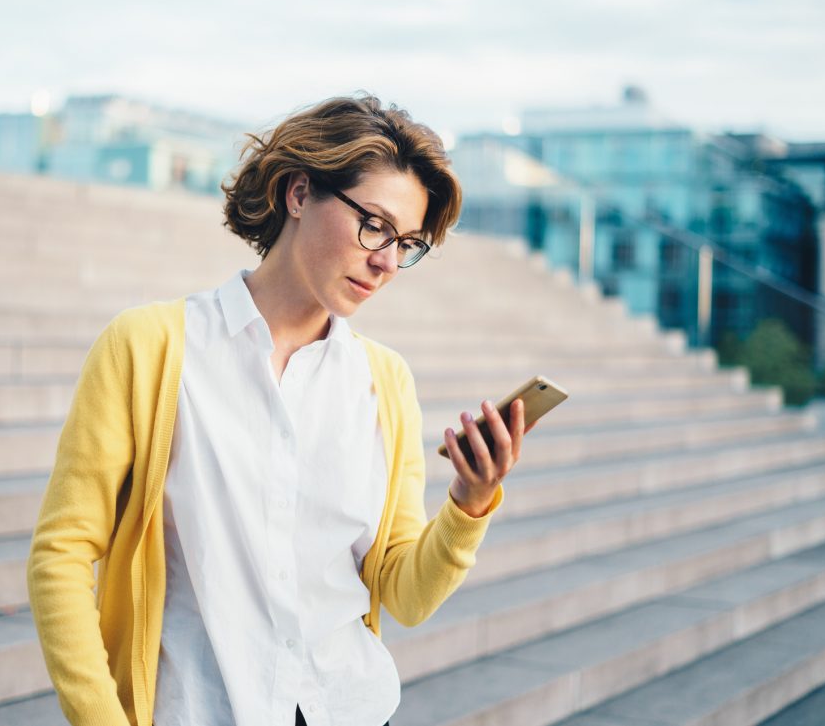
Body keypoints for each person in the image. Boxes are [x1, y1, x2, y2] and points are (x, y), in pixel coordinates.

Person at [27, 93, 531, 726]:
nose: (385, 261)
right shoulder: (151, 348)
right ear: (298, 194)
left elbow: (404, 593)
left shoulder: (384, 382)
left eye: (405, 243)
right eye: (373, 224)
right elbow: (61, 554)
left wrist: (469, 503)